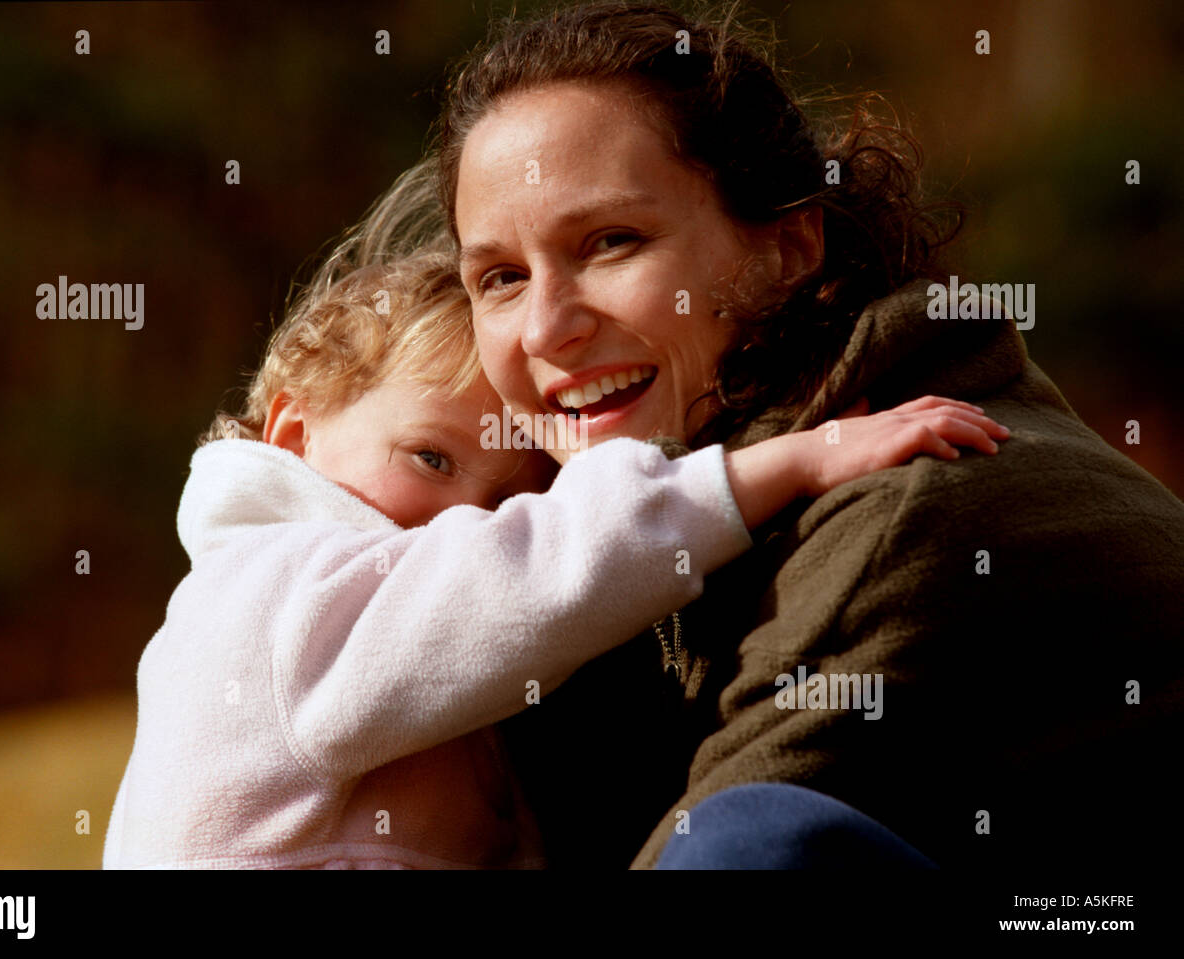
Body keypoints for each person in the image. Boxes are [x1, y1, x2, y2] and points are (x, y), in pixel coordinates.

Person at [433, 0, 1184, 868]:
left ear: (788, 247)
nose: (545, 329)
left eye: (611, 242)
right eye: (500, 278)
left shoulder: (905, 511)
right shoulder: (633, 513)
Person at [102, 167, 1004, 868]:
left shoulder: (413, 670)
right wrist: (790, 462)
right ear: (295, 434)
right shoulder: (268, 597)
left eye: (509, 501)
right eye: (430, 458)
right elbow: (517, 576)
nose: (465, 516)